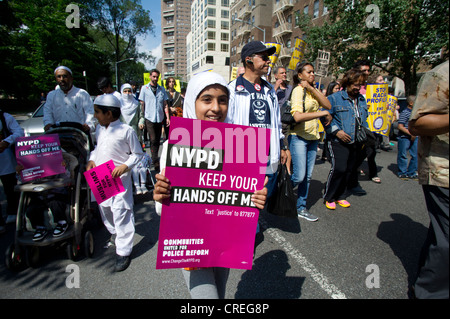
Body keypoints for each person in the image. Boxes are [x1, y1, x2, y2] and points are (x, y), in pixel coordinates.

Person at [153, 72, 268, 299]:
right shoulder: (174, 145)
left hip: (224, 241)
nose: (216, 107)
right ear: (192, 102)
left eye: (222, 100)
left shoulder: (242, 146)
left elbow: (245, 201)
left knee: (221, 294)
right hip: (190, 243)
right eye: (207, 99)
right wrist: (160, 196)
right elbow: (163, 210)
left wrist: (257, 198)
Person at [86, 94, 144, 272]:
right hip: (101, 177)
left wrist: (125, 166)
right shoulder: (100, 129)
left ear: (109, 113)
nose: (95, 116)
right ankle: (115, 234)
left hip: (119, 179)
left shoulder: (126, 130)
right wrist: (92, 159)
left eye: (98, 112)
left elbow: (138, 154)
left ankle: (123, 251)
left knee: (121, 212)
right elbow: (97, 149)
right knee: (105, 209)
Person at [227, 41, 289, 199]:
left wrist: (282, 146)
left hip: (268, 154)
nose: (269, 61)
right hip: (244, 157)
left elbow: (276, 121)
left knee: (263, 194)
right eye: (263, 57)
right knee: (244, 198)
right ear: (248, 60)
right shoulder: (232, 90)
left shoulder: (270, 90)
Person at [408, 60, 449, 299]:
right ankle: (429, 292)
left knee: (441, 234)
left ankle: (424, 278)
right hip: (443, 170)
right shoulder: (442, 74)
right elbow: (417, 123)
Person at [288, 62, 332, 221]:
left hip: (313, 137)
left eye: (313, 72)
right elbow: (297, 116)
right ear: (300, 75)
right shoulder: (298, 91)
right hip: (299, 136)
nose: (312, 74)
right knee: (299, 176)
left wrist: (312, 88)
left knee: (307, 177)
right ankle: (278, 192)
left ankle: (301, 207)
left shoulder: (313, 91)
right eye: (309, 72)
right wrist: (321, 114)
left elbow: (328, 105)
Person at [323, 68, 369, 210]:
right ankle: (329, 196)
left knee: (349, 170)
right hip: (338, 141)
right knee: (339, 168)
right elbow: (323, 116)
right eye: (354, 84)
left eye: (360, 85)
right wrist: (337, 132)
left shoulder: (361, 99)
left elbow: (363, 118)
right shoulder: (335, 98)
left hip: (356, 141)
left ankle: (341, 195)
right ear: (347, 83)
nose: (357, 88)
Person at [16, 153, 76, 241]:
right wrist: (19, 172)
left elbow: (67, 177)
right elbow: (22, 181)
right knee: (32, 209)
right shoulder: (32, 169)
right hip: (39, 195)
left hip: (55, 193)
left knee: (56, 204)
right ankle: (39, 227)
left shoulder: (55, 165)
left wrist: (63, 168)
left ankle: (62, 222)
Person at [43, 66, 95, 134]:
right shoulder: (52, 95)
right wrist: (48, 124)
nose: (62, 79)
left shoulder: (82, 94)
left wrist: (88, 125)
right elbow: (48, 112)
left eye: (65, 76)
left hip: (79, 135)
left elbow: (90, 113)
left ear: (71, 78)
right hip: (58, 134)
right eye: (59, 77)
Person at [139, 69, 169, 172]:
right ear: (150, 77)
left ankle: (155, 157)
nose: (155, 79)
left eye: (157, 77)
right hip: (149, 118)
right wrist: (142, 118)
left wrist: (167, 117)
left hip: (159, 118)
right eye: (154, 77)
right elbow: (142, 104)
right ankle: (155, 160)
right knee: (153, 140)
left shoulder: (162, 89)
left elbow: (165, 104)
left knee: (157, 140)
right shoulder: (144, 88)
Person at [0, 109, 24, 232]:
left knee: (10, 189)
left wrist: (6, 141)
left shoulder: (5, 118)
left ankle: (13, 213)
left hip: (5, 160)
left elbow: (19, 132)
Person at [397, 95, 418, 180]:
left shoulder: (416, 113)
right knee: (403, 155)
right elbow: (400, 126)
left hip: (415, 137)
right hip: (404, 137)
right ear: (411, 103)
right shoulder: (405, 112)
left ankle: (411, 172)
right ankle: (402, 172)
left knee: (415, 155)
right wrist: (410, 134)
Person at [321, 81, 341, 162]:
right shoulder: (329, 98)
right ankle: (325, 154)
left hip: (335, 121)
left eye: (339, 88)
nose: (338, 90)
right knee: (328, 138)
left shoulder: (339, 99)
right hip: (329, 122)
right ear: (331, 89)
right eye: (336, 88)